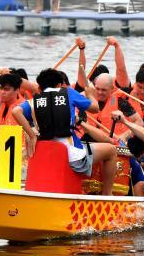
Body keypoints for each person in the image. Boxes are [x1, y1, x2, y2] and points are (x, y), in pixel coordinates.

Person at [14, 68, 119, 196]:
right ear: (59, 85)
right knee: (111, 151)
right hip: (72, 157)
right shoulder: (68, 93)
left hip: (46, 154)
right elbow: (95, 108)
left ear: (40, 87)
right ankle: (107, 195)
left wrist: (31, 134)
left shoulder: (34, 101)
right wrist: (90, 94)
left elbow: (15, 112)